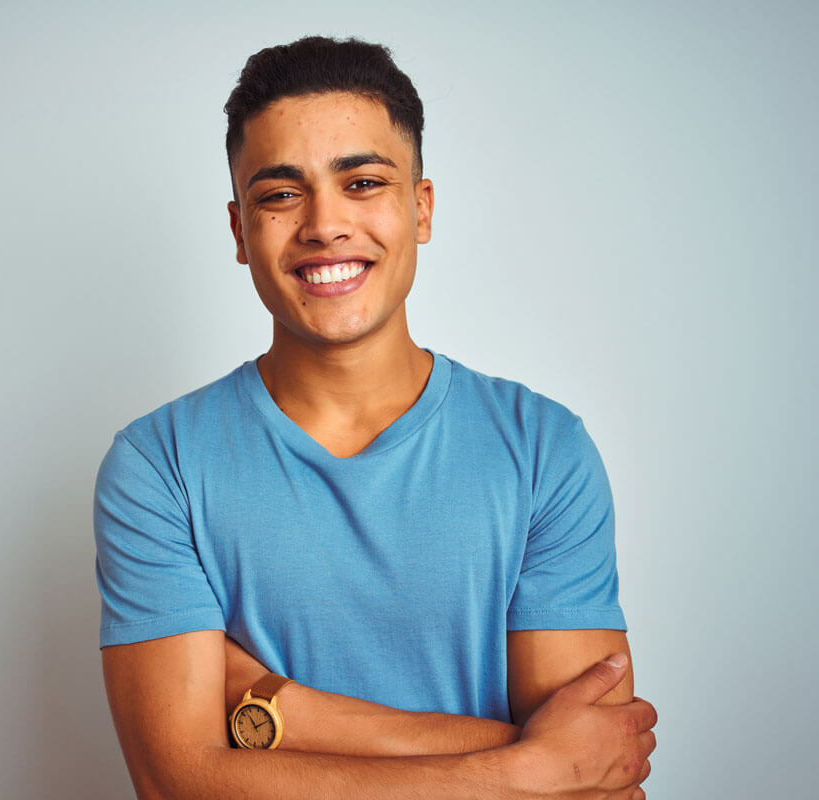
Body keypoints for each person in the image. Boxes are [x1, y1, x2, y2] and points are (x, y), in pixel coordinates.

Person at [94, 36, 657, 799]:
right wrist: (524, 766)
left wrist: (284, 709)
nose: (325, 224)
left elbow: (595, 778)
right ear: (238, 231)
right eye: (280, 193)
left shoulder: (542, 449)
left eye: (361, 182)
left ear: (420, 209)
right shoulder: (158, 464)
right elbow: (178, 783)